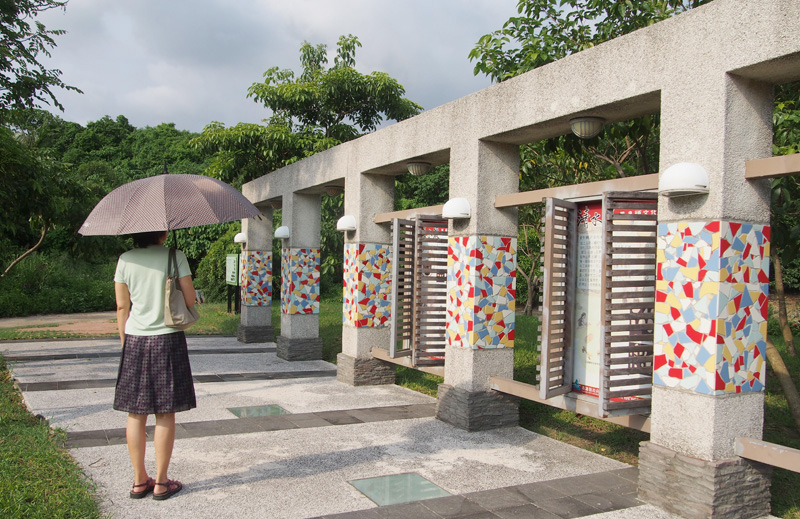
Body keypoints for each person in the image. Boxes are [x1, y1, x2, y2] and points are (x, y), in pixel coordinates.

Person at [113, 230, 197, 501]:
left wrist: (126, 342)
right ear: (162, 232)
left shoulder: (125, 259)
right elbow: (190, 300)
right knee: (165, 411)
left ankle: (139, 481)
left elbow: (121, 308)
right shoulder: (176, 256)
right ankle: (161, 482)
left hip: (135, 339)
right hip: (168, 339)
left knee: (136, 413)